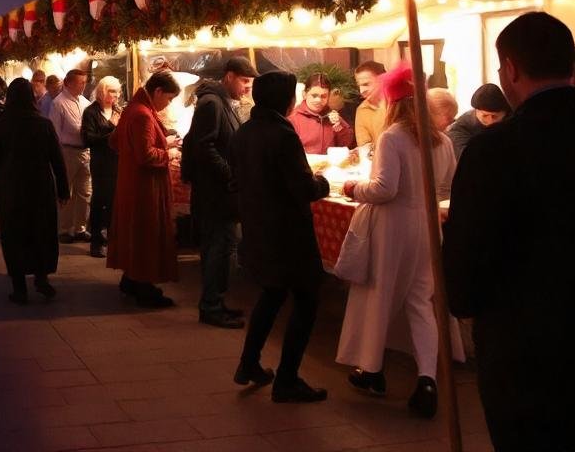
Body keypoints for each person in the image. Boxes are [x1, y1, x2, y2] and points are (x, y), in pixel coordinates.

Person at [443, 13, 575, 450]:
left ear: (510, 69)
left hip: (524, 350)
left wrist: (464, 301)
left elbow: (466, 264)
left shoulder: (493, 150)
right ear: (570, 65)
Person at [337, 64, 459, 419]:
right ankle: (427, 378)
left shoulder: (392, 137)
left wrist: (352, 188)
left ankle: (372, 371)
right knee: (422, 302)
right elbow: (446, 187)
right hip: (427, 226)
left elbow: (384, 189)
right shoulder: (444, 141)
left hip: (393, 228)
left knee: (381, 297)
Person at [232, 71, 331, 403]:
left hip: (259, 228)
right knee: (306, 300)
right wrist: (322, 183)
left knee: (272, 293)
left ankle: (248, 363)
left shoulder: (245, 131)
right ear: (285, 99)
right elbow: (302, 187)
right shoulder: (282, 132)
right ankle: (287, 378)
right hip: (288, 234)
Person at [0, 78, 70, 304]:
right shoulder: (43, 124)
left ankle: (19, 287)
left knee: (15, 235)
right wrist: (63, 189)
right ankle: (42, 277)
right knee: (41, 232)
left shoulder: (3, 124)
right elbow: (57, 160)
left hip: (12, 187)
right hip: (40, 187)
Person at [183, 56, 257, 328]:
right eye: (244, 81)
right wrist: (230, 173)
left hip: (220, 193)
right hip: (216, 193)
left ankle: (216, 301)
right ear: (229, 76)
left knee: (222, 248)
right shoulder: (212, 104)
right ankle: (211, 306)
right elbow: (205, 146)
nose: (247, 87)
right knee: (219, 248)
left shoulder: (221, 102)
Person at [109, 71, 183, 308]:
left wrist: (163, 142)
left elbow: (115, 141)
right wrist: (168, 152)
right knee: (146, 233)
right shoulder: (142, 114)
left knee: (136, 232)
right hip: (145, 186)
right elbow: (146, 155)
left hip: (132, 182)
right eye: (169, 98)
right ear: (158, 91)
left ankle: (131, 279)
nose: (168, 104)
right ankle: (143, 285)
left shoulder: (134, 108)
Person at [49, 69, 92, 243]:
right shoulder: (59, 103)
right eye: (80, 82)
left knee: (85, 191)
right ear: (70, 83)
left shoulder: (84, 102)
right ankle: (65, 228)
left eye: (84, 82)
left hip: (85, 151)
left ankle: (81, 227)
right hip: (68, 151)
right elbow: (55, 131)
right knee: (66, 190)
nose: (83, 86)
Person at [81, 75, 121, 259]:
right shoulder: (91, 112)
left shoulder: (118, 110)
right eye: (112, 91)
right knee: (99, 201)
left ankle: (114, 240)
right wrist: (111, 130)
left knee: (115, 202)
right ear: (103, 91)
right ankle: (96, 241)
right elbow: (88, 139)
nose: (116, 95)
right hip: (100, 163)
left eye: (118, 91)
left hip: (118, 162)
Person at [291, 73, 354, 154]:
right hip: (304, 165)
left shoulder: (333, 116)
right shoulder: (293, 119)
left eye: (323, 96)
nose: (318, 100)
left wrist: (340, 126)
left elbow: (346, 144)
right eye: (314, 95)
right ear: (304, 94)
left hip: (330, 165)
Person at [445, 83, 509, 159]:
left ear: (505, 113)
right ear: (475, 111)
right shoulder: (459, 129)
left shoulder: (513, 120)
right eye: (485, 116)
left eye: (494, 116)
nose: (490, 121)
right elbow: (469, 160)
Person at [352, 61, 387, 149]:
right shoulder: (362, 110)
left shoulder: (399, 104)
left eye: (366, 84)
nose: (361, 91)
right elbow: (364, 146)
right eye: (359, 86)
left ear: (382, 80)